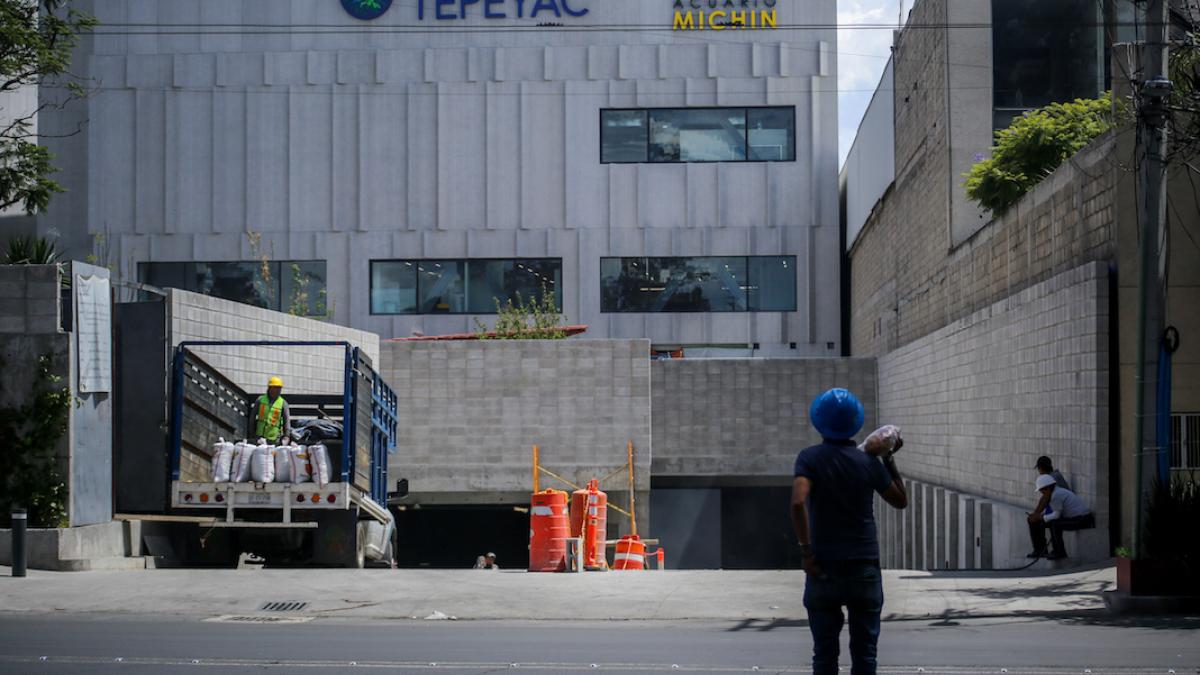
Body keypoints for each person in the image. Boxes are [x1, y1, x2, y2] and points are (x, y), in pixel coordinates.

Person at [791, 388, 908, 675]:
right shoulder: (868, 462)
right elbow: (900, 501)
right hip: (863, 565)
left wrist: (806, 552)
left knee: (825, 657)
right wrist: (888, 458)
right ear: (855, 422)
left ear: (819, 421)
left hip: (823, 566)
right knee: (865, 657)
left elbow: (797, 503)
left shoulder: (810, 458)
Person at [1027, 474, 1093, 560]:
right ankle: (1039, 550)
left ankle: (1060, 552)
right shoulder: (1053, 493)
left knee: (1055, 524)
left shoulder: (1056, 495)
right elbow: (1052, 512)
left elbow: (1056, 515)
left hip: (1082, 519)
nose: (1042, 494)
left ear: (1047, 488)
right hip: (1074, 518)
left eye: (1042, 491)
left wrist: (1041, 517)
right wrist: (1039, 517)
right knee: (1035, 521)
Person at [253, 376, 290, 443]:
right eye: (274, 388)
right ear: (269, 388)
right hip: (259, 438)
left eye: (279, 388)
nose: (277, 390)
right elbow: (252, 417)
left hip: (274, 439)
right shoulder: (260, 400)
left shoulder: (283, 403)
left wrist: (286, 436)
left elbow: (286, 421)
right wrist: (251, 432)